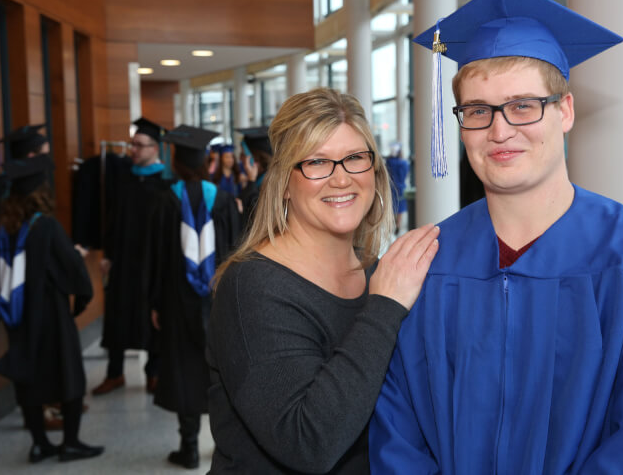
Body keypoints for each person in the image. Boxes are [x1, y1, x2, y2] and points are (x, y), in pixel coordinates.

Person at [369, 0, 623, 473]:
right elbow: (396, 437)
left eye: (524, 106)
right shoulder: (422, 266)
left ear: (565, 111)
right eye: (479, 110)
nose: (500, 130)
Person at [205, 88, 440, 474]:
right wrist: (384, 306)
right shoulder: (252, 286)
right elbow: (307, 443)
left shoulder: (376, 273)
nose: (341, 178)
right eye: (316, 162)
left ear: (374, 170)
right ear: (283, 182)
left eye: (354, 158)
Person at [0, 154, 103, 463]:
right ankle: (70, 442)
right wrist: (79, 301)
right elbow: (73, 271)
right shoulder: (46, 226)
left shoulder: (7, 227)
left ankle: (39, 443)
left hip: (20, 315)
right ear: (41, 190)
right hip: (51, 315)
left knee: (30, 376)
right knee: (69, 377)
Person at [148, 125, 242, 469]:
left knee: (185, 367)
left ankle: (187, 446)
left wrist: (155, 303)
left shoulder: (165, 201)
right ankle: (223, 446)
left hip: (176, 302)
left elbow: (155, 259)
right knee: (218, 369)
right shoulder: (223, 201)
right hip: (216, 301)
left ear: (177, 160)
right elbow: (236, 251)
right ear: (206, 161)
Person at [91, 117, 170, 396]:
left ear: (155, 148)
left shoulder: (165, 183)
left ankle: (154, 373)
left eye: (139, 145)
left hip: (151, 262)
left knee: (151, 316)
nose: (133, 150)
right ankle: (115, 374)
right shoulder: (124, 179)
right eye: (132, 144)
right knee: (117, 313)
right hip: (123, 260)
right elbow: (110, 220)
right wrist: (107, 254)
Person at [0, 124, 50, 321]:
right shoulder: (6, 191)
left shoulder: (9, 188)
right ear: (31, 156)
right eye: (44, 154)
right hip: (9, 280)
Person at [384, 142, 409, 234]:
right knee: (400, 207)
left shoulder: (388, 162)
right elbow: (405, 174)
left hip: (391, 186)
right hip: (400, 187)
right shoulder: (403, 163)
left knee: (392, 206)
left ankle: (392, 224)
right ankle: (398, 225)